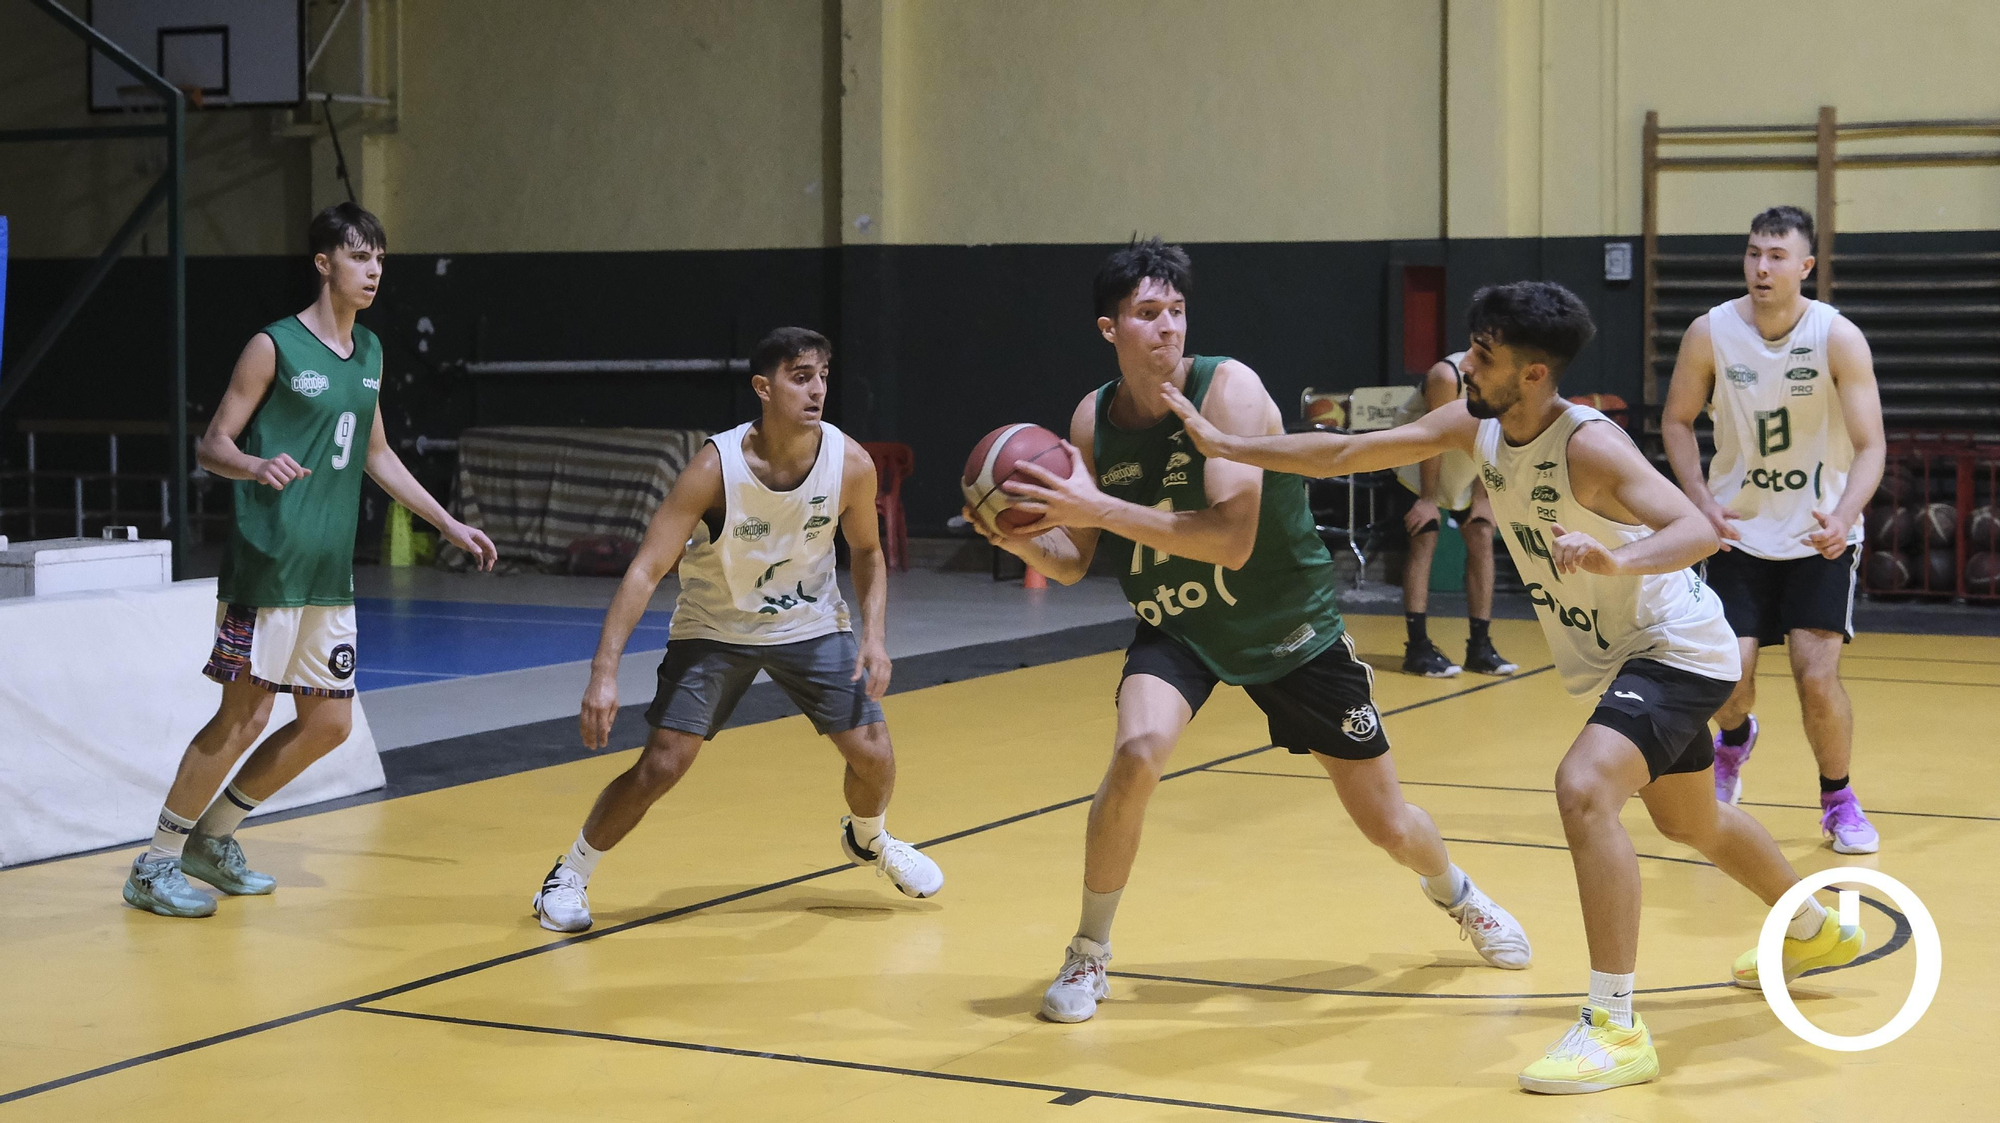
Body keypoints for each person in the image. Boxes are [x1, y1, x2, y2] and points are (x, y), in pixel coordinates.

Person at [1164, 280, 1865, 1095]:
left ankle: (1614, 1024)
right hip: (1625, 650)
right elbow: (1349, 453)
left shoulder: (1589, 447)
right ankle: (1811, 925)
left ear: (1533, 374)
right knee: (1692, 820)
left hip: (1675, 646)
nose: (1464, 363)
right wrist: (1229, 443)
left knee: (1584, 788)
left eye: (1483, 354)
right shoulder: (1478, 423)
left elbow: (1698, 528)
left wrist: (1616, 559)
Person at [969, 237, 1531, 1026]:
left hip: (1288, 627)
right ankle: (1088, 950)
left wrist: (1099, 507)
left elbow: (1230, 540)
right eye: (1146, 313)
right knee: (1135, 755)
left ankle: (1460, 895)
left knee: (1386, 823)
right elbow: (1074, 559)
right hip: (1181, 625)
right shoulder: (1092, 419)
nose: (1168, 326)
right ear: (1109, 328)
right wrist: (1016, 537)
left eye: (1176, 310)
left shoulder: (1227, 390)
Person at [123, 202, 498, 919]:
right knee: (244, 716)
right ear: (324, 263)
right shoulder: (274, 346)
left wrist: (447, 521)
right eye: (360, 257)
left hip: (329, 571)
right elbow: (212, 445)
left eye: (380, 258)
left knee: (329, 724)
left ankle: (213, 839)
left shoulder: (372, 352)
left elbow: (378, 454)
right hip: (269, 563)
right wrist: (254, 464)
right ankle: (155, 863)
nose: (374, 270)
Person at [529, 327, 942, 933]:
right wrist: (604, 673)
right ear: (763, 388)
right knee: (662, 766)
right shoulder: (713, 468)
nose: (817, 390)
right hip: (715, 628)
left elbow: (867, 552)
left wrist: (875, 637)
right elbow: (646, 569)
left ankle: (868, 837)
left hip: (811, 625)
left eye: (823, 376)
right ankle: (568, 874)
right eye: (801, 377)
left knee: (875, 757)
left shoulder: (850, 463)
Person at [1661, 205, 1885, 854]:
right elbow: (1677, 420)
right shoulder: (1709, 332)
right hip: (1737, 531)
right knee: (1729, 675)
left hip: (1820, 534)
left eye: (1777, 256)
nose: (1761, 267)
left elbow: (1871, 445)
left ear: (1804, 266)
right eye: (1754, 253)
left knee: (1815, 676)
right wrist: (1700, 502)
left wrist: (1844, 515)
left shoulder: (1837, 336)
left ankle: (1838, 800)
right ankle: (1734, 740)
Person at [1391, 349, 1518, 677]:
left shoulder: (1512, 377)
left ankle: (1480, 647)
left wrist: (1482, 496)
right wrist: (1428, 499)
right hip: (1417, 462)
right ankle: (1417, 649)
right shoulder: (1446, 376)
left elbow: (1496, 438)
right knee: (1424, 537)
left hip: (1464, 465)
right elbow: (1431, 439)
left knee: (1481, 534)